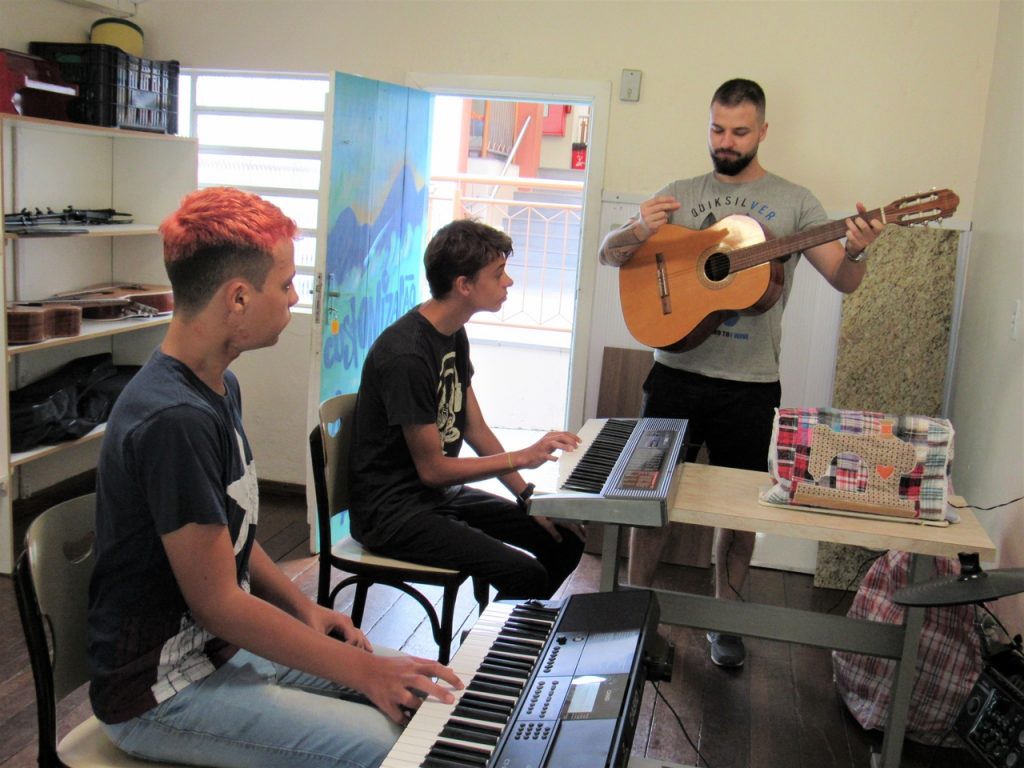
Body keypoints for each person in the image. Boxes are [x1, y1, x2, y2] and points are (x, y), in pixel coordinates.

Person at [87, 187, 460, 768]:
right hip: (159, 695)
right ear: (237, 298)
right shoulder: (173, 420)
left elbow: (227, 534)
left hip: (219, 655)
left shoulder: (216, 385)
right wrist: (364, 670)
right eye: (285, 284)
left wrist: (302, 609)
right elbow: (219, 604)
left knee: (418, 700)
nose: (294, 297)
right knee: (389, 750)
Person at [598, 78, 884, 669]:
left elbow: (844, 279)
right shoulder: (680, 193)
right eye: (716, 129)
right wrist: (636, 230)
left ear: (763, 131)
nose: (725, 142)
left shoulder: (796, 201)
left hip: (750, 384)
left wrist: (856, 248)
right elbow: (610, 254)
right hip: (675, 372)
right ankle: (635, 612)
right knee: (649, 496)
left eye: (739, 131)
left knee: (741, 509)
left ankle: (725, 621)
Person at [349, 218, 585, 601]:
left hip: (437, 499)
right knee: (524, 574)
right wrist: (522, 457)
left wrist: (528, 498)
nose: (508, 282)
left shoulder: (452, 333)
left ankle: (506, 637)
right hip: (393, 515)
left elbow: (475, 430)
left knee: (563, 539)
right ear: (464, 285)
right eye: (498, 274)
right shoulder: (406, 354)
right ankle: (493, 652)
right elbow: (433, 470)